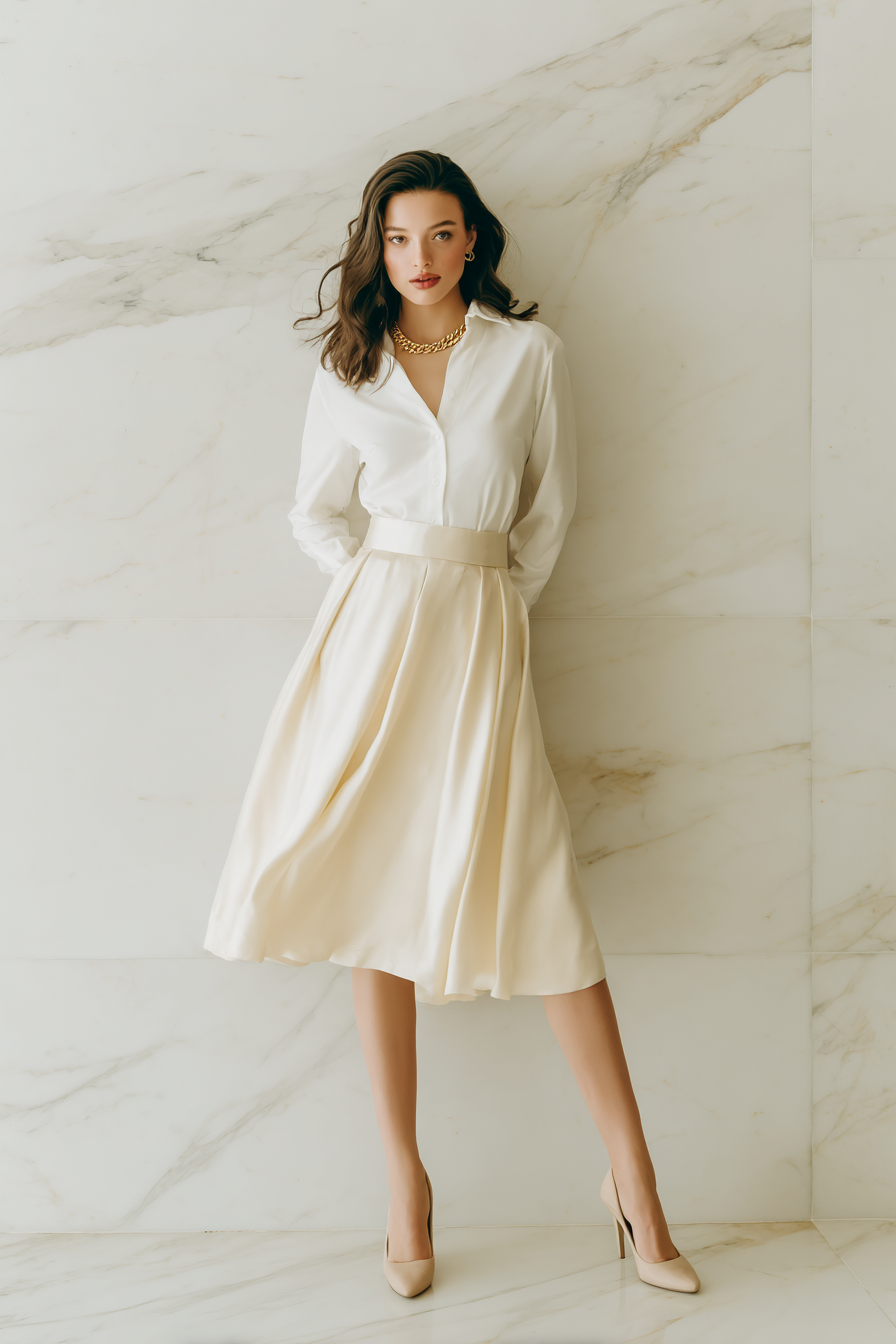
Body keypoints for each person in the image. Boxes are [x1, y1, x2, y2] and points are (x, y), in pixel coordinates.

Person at [203, 150, 699, 1298]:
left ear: (471, 237)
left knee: (545, 902)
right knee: (369, 894)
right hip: (368, 641)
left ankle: (634, 1187)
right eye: (394, 239)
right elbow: (312, 512)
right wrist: (380, 589)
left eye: (437, 234)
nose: (416, 259)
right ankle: (404, 1187)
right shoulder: (350, 367)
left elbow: (550, 513)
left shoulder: (528, 357)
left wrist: (482, 609)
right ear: (372, 250)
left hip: (481, 636)